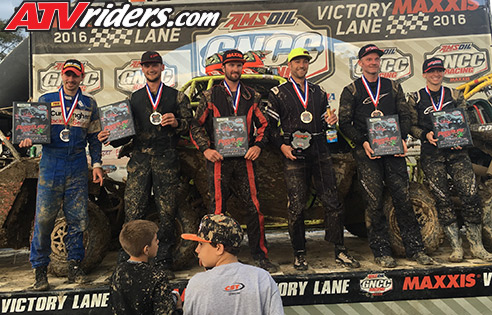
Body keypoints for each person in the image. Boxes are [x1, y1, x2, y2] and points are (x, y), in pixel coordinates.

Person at [98, 51, 193, 278]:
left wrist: (177, 121)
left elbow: (190, 126)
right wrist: (110, 136)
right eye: (147, 65)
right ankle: (129, 261)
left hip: (166, 159)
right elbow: (125, 134)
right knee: (133, 211)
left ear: (162, 68)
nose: (151, 69)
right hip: (140, 161)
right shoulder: (133, 100)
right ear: (142, 69)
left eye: (155, 65)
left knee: (167, 211)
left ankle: (163, 261)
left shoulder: (177, 97)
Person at [338, 44, 434, 268]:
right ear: (360, 63)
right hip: (368, 154)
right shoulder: (351, 90)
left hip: (393, 151)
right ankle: (381, 252)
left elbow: (405, 116)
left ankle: (416, 249)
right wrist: (362, 142)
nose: (373, 62)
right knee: (374, 203)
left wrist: (402, 138)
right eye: (369, 59)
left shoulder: (393, 87)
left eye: (376, 59)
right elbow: (344, 123)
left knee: (402, 200)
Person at [267, 47, 359, 270]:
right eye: (297, 62)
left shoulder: (318, 92)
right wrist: (282, 147)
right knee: (296, 205)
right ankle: (299, 253)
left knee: (333, 201)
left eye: (305, 62)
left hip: (319, 149)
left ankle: (339, 249)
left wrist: (331, 120)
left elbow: (326, 122)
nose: (302, 65)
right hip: (294, 153)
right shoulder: (278, 93)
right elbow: (269, 128)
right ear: (289, 65)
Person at [189, 49, 277, 272]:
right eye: (231, 65)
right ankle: (214, 260)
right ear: (223, 68)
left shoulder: (252, 96)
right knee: (217, 210)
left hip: (245, 160)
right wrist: (206, 150)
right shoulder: (210, 96)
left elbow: (265, 125)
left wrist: (257, 145)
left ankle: (260, 256)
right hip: (219, 160)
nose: (235, 69)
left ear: (242, 68)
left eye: (239, 65)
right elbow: (196, 125)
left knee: (254, 207)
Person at [19, 59, 104, 290]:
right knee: (45, 219)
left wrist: (96, 164)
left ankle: (75, 267)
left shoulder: (88, 103)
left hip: (77, 162)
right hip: (51, 161)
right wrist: (29, 139)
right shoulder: (46, 101)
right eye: (67, 75)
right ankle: (40, 271)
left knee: (78, 219)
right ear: (62, 75)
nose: (70, 79)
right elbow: (33, 130)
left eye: (75, 76)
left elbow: (95, 138)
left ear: (82, 78)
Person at [408, 57, 492, 262]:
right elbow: (410, 125)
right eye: (432, 71)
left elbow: (466, 120)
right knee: (442, 199)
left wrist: (460, 137)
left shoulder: (454, 95)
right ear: (425, 74)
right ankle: (456, 248)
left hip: (457, 152)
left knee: (470, 194)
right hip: (432, 154)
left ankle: (477, 246)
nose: (436, 74)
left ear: (443, 72)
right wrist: (424, 135)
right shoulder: (416, 99)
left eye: (439, 70)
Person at [181, 214, 284, 315]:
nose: (197, 249)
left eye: (201, 244)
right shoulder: (262, 278)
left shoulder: (197, 284)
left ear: (218, 248)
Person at [110, 220, 183, 315]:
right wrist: (178, 308)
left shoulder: (117, 273)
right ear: (146, 249)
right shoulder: (156, 277)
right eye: (155, 240)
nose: (158, 242)